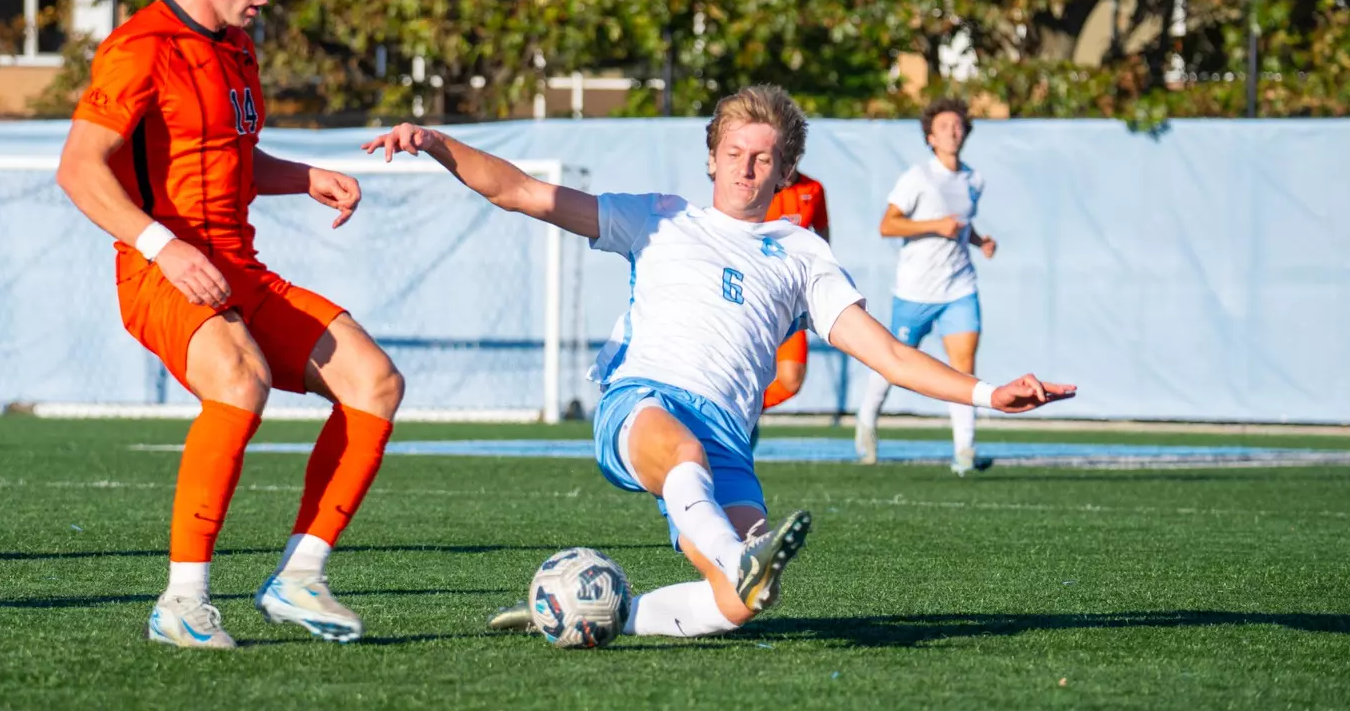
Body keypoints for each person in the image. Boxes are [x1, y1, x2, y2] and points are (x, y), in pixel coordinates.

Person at [362, 85, 1073, 640]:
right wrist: (433, 142)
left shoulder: (802, 254)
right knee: (683, 452)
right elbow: (520, 193)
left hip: (729, 442)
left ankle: (606, 613)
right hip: (643, 404)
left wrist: (986, 393)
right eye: (734, 152)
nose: (746, 167)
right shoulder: (658, 216)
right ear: (712, 156)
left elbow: (886, 353)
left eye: (764, 157)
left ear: (786, 169)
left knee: (745, 601)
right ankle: (733, 551)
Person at [56, 0, 404, 651]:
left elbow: (230, 159)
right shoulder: (139, 47)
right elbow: (80, 169)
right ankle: (183, 600)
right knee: (238, 377)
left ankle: (299, 576)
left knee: (374, 381)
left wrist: (303, 175)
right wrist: (163, 247)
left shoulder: (237, 44)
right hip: (161, 275)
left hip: (238, 268)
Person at [854, 97, 997, 475]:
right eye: (945, 126)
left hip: (959, 288)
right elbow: (888, 225)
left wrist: (979, 241)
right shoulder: (917, 177)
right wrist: (934, 226)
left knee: (963, 365)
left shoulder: (974, 180)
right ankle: (867, 420)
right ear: (930, 137)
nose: (953, 131)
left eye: (958, 125)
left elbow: (960, 225)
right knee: (892, 363)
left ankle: (964, 451)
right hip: (916, 290)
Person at [761, 168, 829, 410]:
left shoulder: (813, 189)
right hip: (755, 296)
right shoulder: (758, 187)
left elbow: (822, 237)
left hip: (791, 299)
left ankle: (746, 410)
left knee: (791, 379)